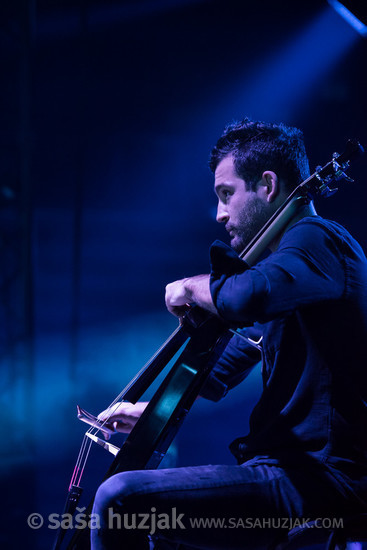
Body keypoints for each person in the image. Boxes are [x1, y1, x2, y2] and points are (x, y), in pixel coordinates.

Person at [91, 118, 367, 550]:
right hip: (285, 471)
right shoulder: (288, 275)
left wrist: (190, 287)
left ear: (268, 185)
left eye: (226, 194)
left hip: (317, 477)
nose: (220, 214)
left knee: (120, 499)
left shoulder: (319, 240)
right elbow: (226, 362)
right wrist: (152, 412)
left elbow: (243, 297)